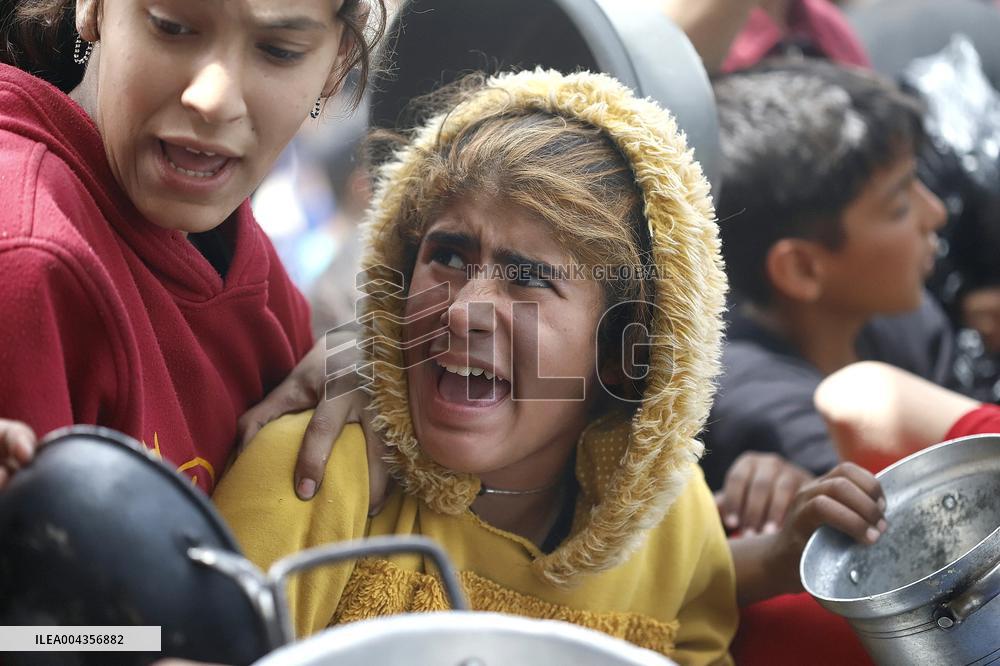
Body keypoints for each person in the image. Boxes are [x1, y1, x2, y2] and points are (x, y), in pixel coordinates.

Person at [210, 69, 887, 665]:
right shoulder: (323, 470)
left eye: (528, 278)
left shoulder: (671, 519)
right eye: (447, 255)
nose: (464, 311)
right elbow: (136, 643)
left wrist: (779, 556)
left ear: (625, 354)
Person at [0, 0, 385, 494]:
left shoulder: (241, 258)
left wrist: (368, 373)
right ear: (92, 9)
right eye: (173, 27)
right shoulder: (27, 258)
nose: (215, 99)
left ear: (335, 66)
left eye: (279, 50)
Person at [701, 59, 948, 491]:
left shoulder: (904, 318)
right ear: (801, 268)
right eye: (899, 207)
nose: (936, 213)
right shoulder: (754, 403)